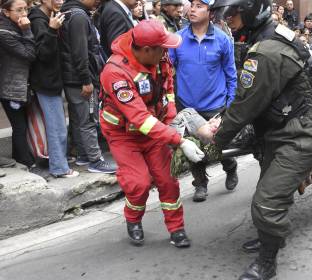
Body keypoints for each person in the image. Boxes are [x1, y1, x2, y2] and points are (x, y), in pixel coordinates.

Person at [201, 22, 312, 280]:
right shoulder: (272, 35)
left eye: (236, 13)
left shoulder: (266, 51)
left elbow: (244, 107)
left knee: (267, 201)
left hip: (303, 132)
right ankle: (268, 238)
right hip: (282, 127)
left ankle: (267, 262)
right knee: (270, 191)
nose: (230, 20)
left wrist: (214, 145)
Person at [100, 19, 204, 247]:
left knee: (168, 180)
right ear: (147, 50)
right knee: (138, 183)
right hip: (124, 135)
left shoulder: (159, 57)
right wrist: (178, 140)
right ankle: (133, 219)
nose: (166, 52)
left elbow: (167, 90)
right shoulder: (115, 73)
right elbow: (139, 118)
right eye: (162, 48)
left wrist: (171, 121)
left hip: (155, 130)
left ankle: (177, 229)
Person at [210, 0, 276, 255]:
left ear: (250, 10)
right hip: (269, 123)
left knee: (268, 194)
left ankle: (268, 253)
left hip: (286, 126)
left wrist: (216, 140)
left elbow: (247, 101)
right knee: (269, 183)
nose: (228, 17)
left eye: (234, 12)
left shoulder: (268, 44)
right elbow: (244, 91)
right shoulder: (253, 37)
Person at [169, 0, 237, 202]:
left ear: (210, 11)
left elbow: (231, 75)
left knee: (217, 146)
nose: (192, 9)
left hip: (215, 106)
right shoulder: (178, 39)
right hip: (187, 106)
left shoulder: (223, 40)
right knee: (193, 148)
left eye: (199, 5)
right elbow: (168, 71)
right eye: (192, 4)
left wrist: (230, 105)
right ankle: (200, 184)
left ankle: (230, 166)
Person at [60, 0, 117, 174]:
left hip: (72, 77)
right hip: (81, 79)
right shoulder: (78, 16)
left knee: (79, 119)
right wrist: (86, 80)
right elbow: (80, 52)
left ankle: (84, 155)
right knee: (89, 119)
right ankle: (95, 160)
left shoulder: (71, 12)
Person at [28, 0, 79, 178]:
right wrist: (52, 30)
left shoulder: (48, 16)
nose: (60, 1)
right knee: (57, 127)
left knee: (58, 125)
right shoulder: (38, 20)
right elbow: (42, 54)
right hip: (46, 83)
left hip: (53, 81)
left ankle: (60, 160)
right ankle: (59, 167)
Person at [0, 0, 36, 170]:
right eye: (19, 10)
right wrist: (27, 30)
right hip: (10, 87)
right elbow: (29, 54)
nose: (24, 14)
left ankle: (20, 158)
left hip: (20, 84)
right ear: (6, 12)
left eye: (26, 9)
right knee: (19, 125)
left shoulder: (15, 27)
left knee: (22, 124)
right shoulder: (4, 32)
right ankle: (25, 162)